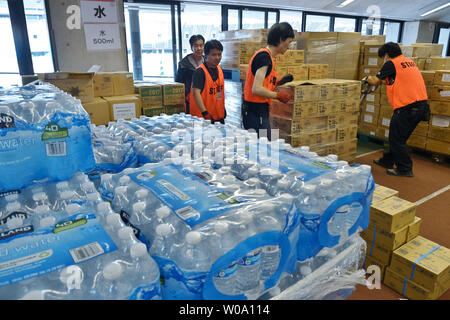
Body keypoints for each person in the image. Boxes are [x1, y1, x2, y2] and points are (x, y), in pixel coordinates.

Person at [365, 42, 430, 177]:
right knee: (398, 136)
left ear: (387, 55)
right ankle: (388, 160)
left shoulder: (391, 63)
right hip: (421, 106)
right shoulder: (408, 61)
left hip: (408, 107)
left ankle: (405, 168)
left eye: (383, 57)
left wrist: (366, 78)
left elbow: (376, 81)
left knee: (397, 139)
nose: (383, 59)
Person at [242, 22, 295, 140]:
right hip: (255, 113)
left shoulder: (267, 56)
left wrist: (278, 83)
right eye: (289, 42)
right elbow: (256, 89)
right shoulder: (264, 57)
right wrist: (278, 95)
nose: (289, 46)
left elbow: (262, 83)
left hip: (258, 113)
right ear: (281, 39)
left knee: (265, 146)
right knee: (264, 149)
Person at [189, 39, 226, 124]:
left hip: (217, 116)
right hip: (203, 119)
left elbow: (218, 91)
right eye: (213, 55)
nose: (217, 58)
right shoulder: (200, 72)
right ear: (206, 55)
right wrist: (204, 112)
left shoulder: (219, 69)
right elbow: (196, 93)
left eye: (219, 54)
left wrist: (222, 109)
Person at [175, 34, 205, 114]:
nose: (199, 48)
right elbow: (179, 83)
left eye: (201, 46)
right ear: (191, 47)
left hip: (206, 98)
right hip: (190, 99)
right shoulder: (184, 64)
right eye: (196, 46)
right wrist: (186, 95)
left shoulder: (207, 62)